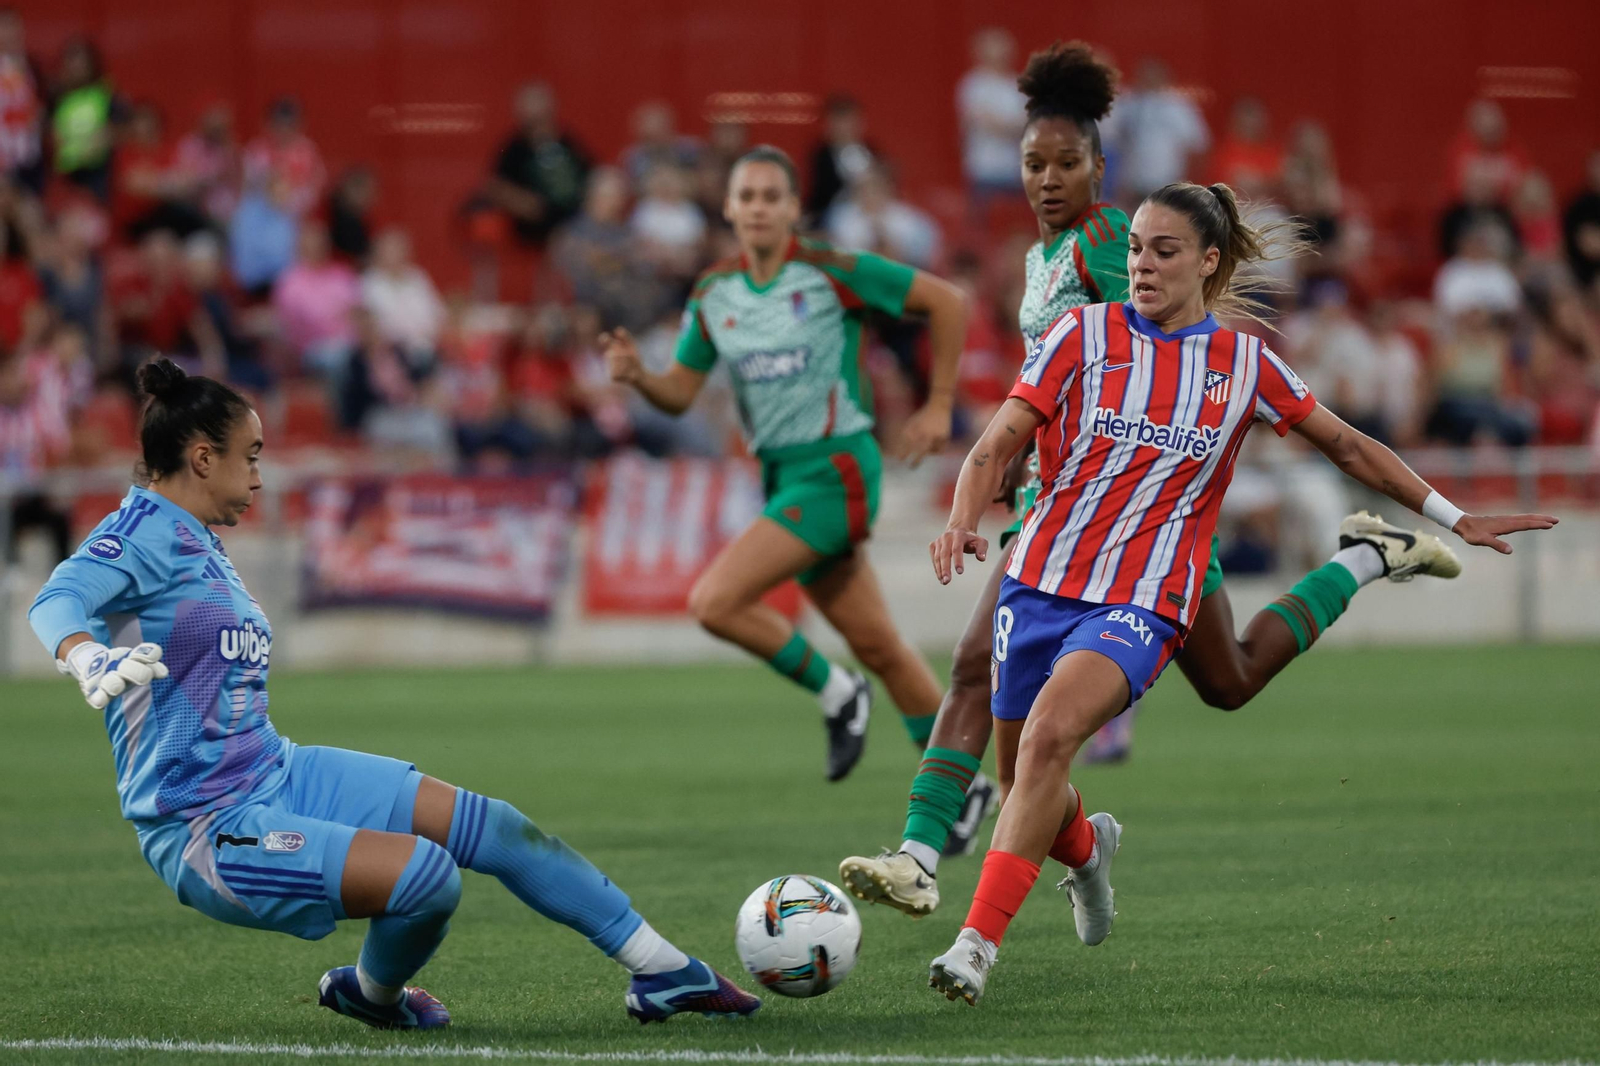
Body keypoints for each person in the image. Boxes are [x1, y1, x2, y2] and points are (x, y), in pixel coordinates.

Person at [839, 44, 1461, 902]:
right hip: (1065, 505)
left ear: (1102, 167)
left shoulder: (1104, 244)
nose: (1047, 179)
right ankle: (1363, 558)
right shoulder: (1041, 256)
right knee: (1225, 679)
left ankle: (922, 855)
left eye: (1067, 163)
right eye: (1032, 163)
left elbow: (1151, 341)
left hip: (1134, 513)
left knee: (986, 662)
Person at [917, 181, 1555, 1006]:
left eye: (1164, 251)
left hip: (1146, 598)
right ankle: (1088, 850)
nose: (1141, 264)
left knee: (1047, 742)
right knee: (1025, 788)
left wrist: (1454, 513)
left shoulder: (1244, 364)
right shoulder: (1083, 332)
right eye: (1137, 248)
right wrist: (964, 517)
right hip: (1037, 583)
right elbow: (998, 440)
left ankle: (974, 947)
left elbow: (1348, 446)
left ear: (1209, 262)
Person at [26, 357, 761, 1030]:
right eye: (250, 459)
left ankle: (666, 970)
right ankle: (374, 997)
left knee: (495, 827)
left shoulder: (200, 542)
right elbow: (58, 599)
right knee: (427, 877)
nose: (258, 479)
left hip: (279, 773)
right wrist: (85, 656)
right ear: (201, 457)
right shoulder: (141, 532)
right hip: (206, 828)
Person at [602, 145, 968, 782]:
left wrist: (937, 408)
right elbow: (683, 391)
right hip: (782, 478)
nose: (759, 207)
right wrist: (640, 377)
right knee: (882, 646)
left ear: (795, 207)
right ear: (728, 207)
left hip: (837, 470)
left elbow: (948, 302)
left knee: (715, 601)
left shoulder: (830, 271)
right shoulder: (716, 292)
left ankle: (837, 693)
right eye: (748, 196)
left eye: (773, 196)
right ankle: (967, 793)